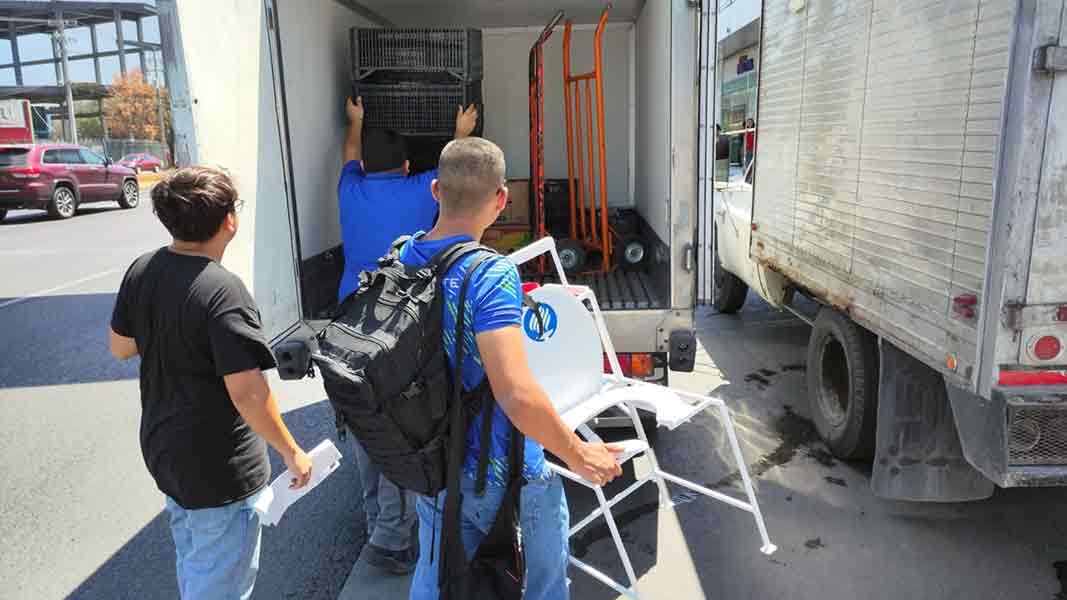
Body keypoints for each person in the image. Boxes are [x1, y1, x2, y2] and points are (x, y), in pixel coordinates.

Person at [402, 137, 624, 600]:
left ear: (435, 191)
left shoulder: (404, 255)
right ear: (501, 200)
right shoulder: (490, 274)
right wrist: (579, 454)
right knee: (541, 587)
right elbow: (516, 393)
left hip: (432, 462)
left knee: (436, 578)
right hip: (500, 471)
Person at [108, 167, 312, 600]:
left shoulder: (142, 269)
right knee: (218, 585)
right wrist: (292, 453)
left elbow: (121, 347)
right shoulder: (222, 290)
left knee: (195, 561)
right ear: (228, 222)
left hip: (166, 450)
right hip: (220, 467)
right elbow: (248, 393)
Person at [336, 96, 480, 574]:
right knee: (396, 423)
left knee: (363, 422)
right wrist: (461, 131)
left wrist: (355, 122)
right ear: (404, 165)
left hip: (350, 319)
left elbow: (348, 158)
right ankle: (393, 539)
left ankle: (378, 522)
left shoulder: (348, 189)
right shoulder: (422, 189)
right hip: (395, 324)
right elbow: (451, 178)